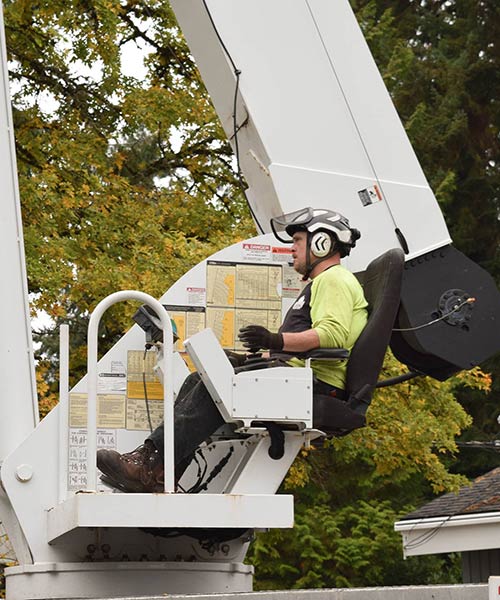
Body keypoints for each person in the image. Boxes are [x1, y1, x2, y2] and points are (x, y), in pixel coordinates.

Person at [97, 207, 368, 493]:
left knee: (216, 384)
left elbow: (333, 335)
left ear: (322, 243)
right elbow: (307, 348)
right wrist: (257, 357)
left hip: (316, 385)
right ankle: (160, 470)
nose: (292, 250)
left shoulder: (334, 279)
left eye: (298, 241)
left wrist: (275, 341)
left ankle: (150, 465)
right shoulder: (325, 283)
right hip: (302, 378)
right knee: (201, 379)